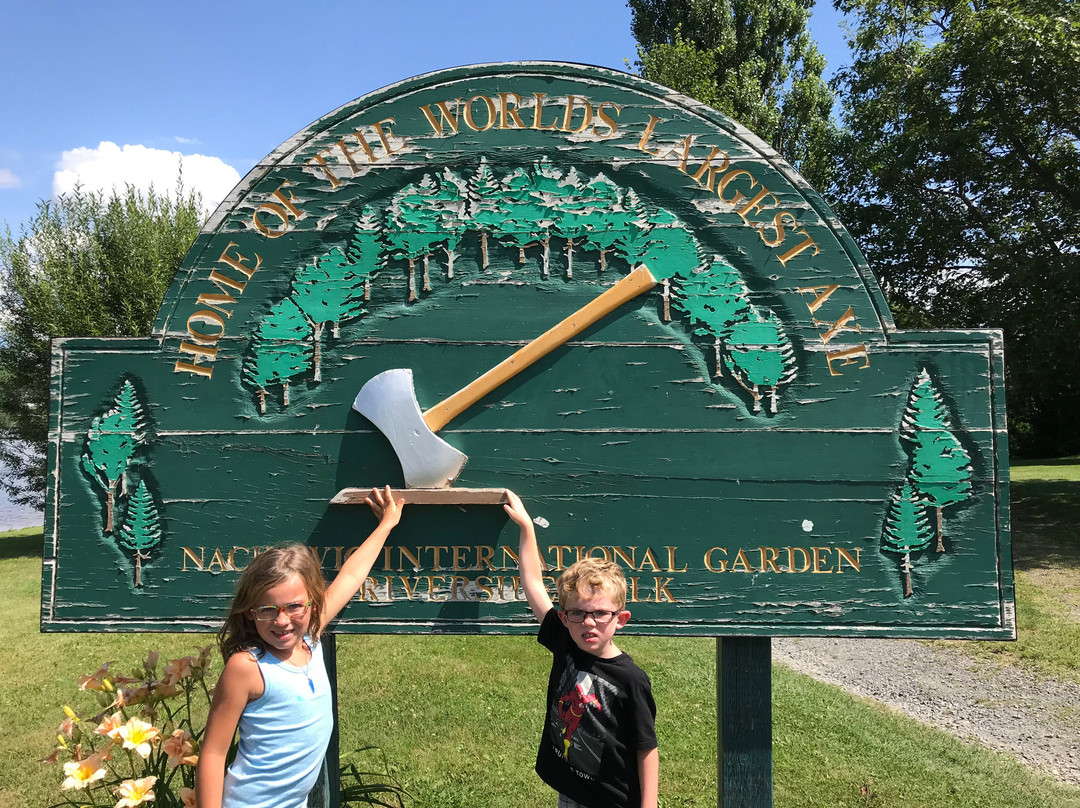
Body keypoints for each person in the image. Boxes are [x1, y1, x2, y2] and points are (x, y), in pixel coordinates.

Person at [195, 486, 404, 808]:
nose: (282, 621)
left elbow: (350, 576)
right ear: (250, 612)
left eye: (293, 606)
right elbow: (213, 753)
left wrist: (386, 525)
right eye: (267, 609)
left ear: (312, 604)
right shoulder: (248, 667)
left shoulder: (310, 637)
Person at [504, 490, 659, 808]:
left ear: (620, 619)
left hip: (613, 800)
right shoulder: (565, 640)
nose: (588, 622)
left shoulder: (631, 679)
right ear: (564, 618)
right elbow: (533, 584)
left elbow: (646, 747)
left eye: (600, 613)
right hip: (571, 791)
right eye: (578, 613)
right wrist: (527, 528)